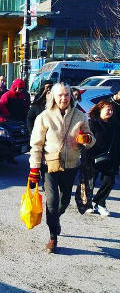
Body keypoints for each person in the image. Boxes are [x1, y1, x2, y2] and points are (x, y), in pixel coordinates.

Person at [28, 82, 95, 253]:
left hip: (71, 165)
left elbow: (91, 138)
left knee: (64, 201)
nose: (64, 98)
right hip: (49, 165)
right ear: (53, 97)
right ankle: (53, 237)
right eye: (60, 95)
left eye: (66, 95)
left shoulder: (80, 115)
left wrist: (87, 139)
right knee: (52, 201)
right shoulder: (44, 116)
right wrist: (34, 168)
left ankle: (55, 218)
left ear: (70, 96)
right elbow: (36, 145)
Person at [77, 100, 118, 216]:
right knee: (89, 182)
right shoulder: (92, 123)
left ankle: (100, 203)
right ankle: (87, 203)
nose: (110, 112)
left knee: (109, 181)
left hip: (108, 157)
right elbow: (85, 141)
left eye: (112, 110)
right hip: (91, 156)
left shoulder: (115, 125)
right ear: (100, 110)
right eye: (107, 109)